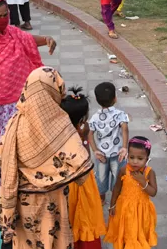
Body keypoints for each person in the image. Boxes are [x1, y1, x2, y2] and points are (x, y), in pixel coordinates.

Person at [0, 0, 56, 208]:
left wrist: (46, 39)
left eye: (6, 14)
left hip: (11, 107)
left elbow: (27, 39)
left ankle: (10, 190)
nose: (5, 19)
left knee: (12, 149)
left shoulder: (12, 33)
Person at [0, 67, 93, 249]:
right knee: (51, 238)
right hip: (52, 202)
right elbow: (81, 171)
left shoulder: (15, 122)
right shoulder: (61, 126)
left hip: (22, 205)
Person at [60, 88, 106, 249]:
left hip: (63, 183)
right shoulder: (80, 134)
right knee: (83, 216)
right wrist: (84, 135)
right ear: (82, 119)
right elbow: (85, 157)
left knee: (68, 216)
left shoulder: (59, 133)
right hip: (82, 183)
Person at [104, 136, 158, 249]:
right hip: (124, 209)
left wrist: (143, 181)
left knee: (139, 235)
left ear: (147, 158)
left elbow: (153, 192)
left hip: (141, 211)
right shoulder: (124, 170)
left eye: (140, 158)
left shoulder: (149, 172)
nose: (135, 161)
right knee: (125, 234)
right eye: (132, 157)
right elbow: (117, 188)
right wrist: (112, 205)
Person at [88, 80, 130, 210]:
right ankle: (116, 198)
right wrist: (124, 147)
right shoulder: (120, 115)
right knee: (118, 177)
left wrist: (95, 150)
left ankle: (101, 199)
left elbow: (90, 135)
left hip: (101, 155)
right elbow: (124, 129)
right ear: (115, 98)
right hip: (118, 154)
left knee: (101, 177)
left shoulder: (94, 117)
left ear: (96, 99)